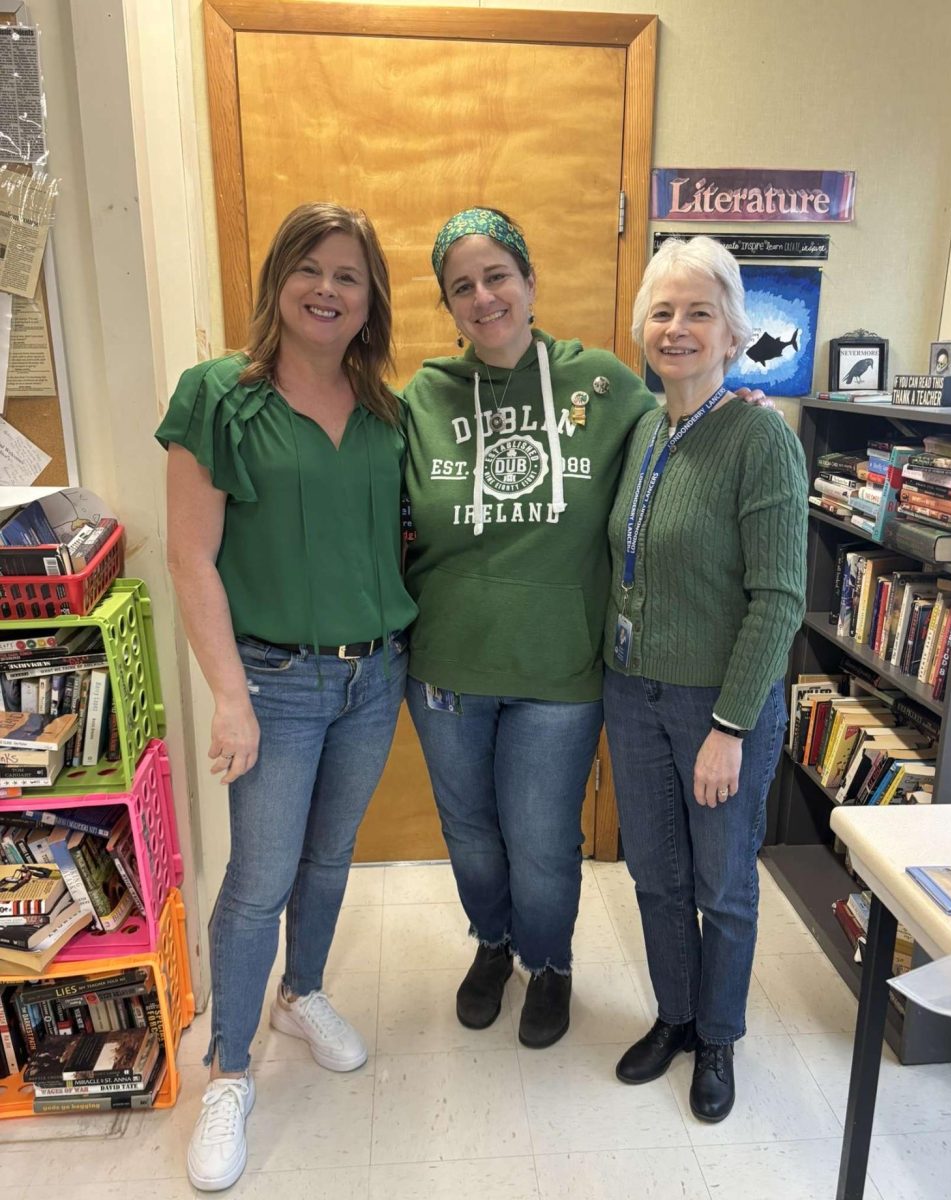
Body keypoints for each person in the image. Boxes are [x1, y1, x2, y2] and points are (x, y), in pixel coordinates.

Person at [158, 203, 416, 1191]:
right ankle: (228, 1072)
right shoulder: (219, 397)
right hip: (273, 678)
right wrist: (229, 694)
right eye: (309, 269)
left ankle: (300, 992)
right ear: (277, 281)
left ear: (369, 300)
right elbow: (190, 557)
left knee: (329, 858)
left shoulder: (386, 412)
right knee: (257, 881)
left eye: (348, 275)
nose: (327, 289)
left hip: (373, 674)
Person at [401, 207, 657, 1049]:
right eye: (462, 287)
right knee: (471, 835)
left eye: (497, 276)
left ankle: (549, 962)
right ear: (449, 306)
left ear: (531, 284)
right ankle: (492, 942)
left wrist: (737, 402)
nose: (484, 297)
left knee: (543, 842)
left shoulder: (605, 386)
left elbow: (679, 435)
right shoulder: (422, 399)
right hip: (446, 670)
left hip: (559, 673)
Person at [602, 235, 807, 1122]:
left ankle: (718, 1036)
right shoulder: (646, 428)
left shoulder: (760, 438)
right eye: (662, 310)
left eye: (698, 312)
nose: (676, 328)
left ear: (733, 334)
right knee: (655, 874)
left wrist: (729, 726)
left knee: (722, 884)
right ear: (641, 326)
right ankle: (675, 1016)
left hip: (719, 706)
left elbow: (780, 600)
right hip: (631, 694)